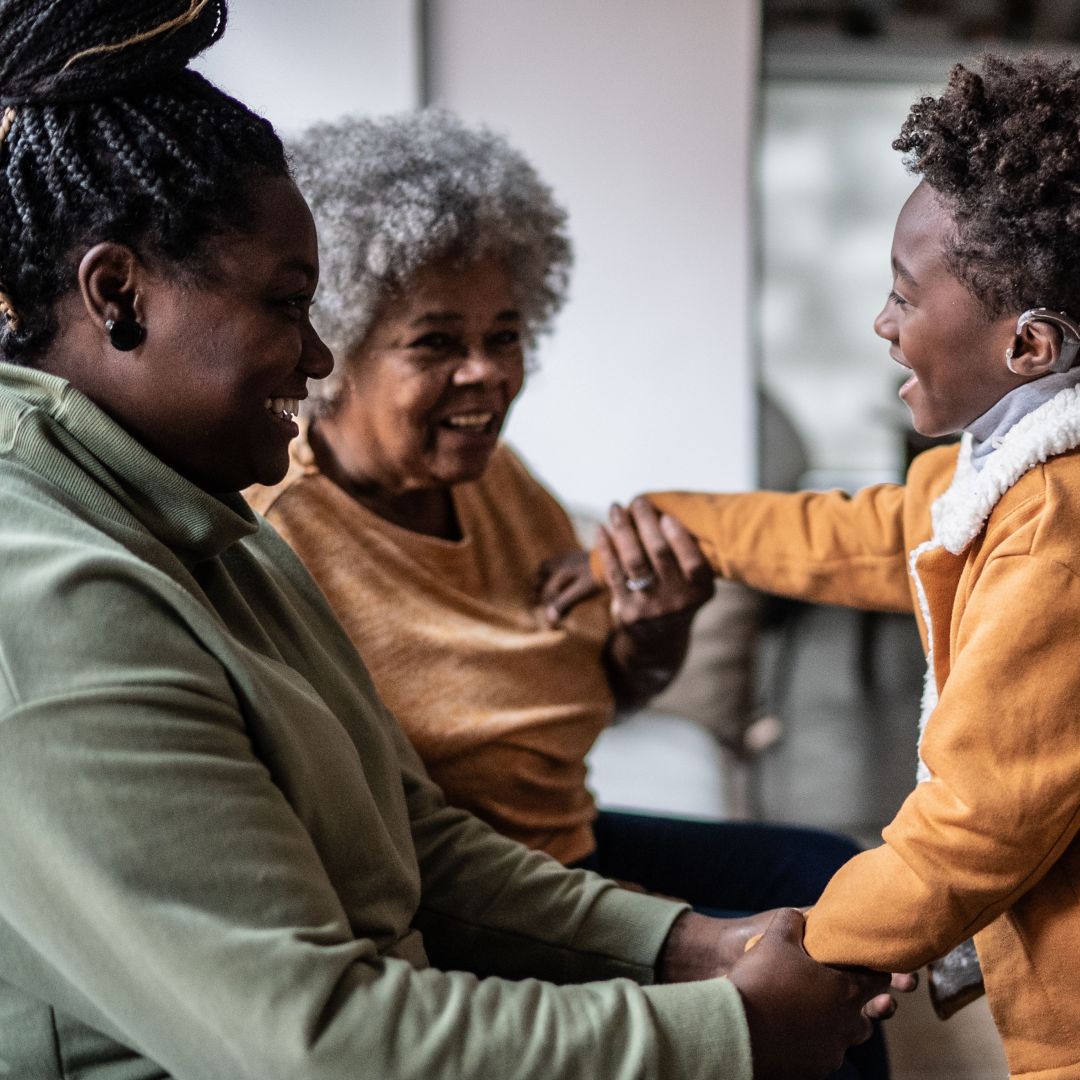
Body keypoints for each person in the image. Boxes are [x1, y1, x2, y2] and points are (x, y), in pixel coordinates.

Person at [0, 2, 899, 1078]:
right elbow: (319, 1044)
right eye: (290, 305)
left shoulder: (208, 523)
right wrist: (730, 1029)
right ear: (116, 294)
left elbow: (411, 839)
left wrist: (687, 942)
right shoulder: (50, 603)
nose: (318, 357)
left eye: (504, 335)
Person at [246, 111, 897, 1080]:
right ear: (332, 348)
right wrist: (629, 930)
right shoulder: (280, 530)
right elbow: (362, 827)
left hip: (570, 846)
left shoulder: (496, 481)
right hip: (455, 898)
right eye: (437, 343)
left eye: (505, 335)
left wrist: (653, 636)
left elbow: (608, 693)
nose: (488, 373)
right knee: (782, 966)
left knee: (831, 880)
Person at [555, 53, 1080, 1080]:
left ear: (1029, 347)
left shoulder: (1059, 526)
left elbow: (972, 830)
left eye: (902, 296)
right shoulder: (1003, 470)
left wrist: (791, 954)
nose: (883, 325)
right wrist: (681, 524)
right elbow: (871, 533)